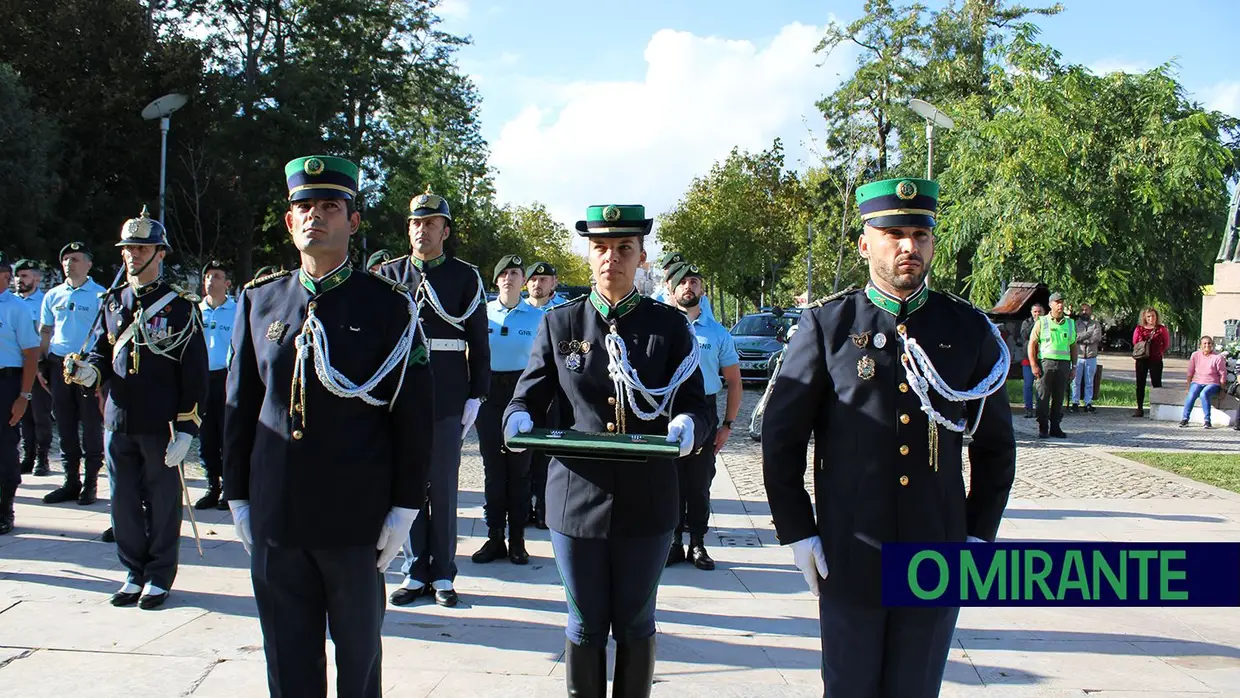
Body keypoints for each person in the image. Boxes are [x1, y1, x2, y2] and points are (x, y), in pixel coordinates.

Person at [762, 177, 1015, 698]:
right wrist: (798, 531)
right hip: (851, 549)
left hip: (936, 549)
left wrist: (977, 534)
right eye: (894, 233)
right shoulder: (828, 326)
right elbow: (782, 440)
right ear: (864, 243)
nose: (908, 247)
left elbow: (995, 447)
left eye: (920, 235)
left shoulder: (967, 329)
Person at [224, 154, 434, 698]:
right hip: (278, 512)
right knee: (288, 660)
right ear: (290, 223)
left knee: (359, 657)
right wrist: (238, 496)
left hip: (354, 515)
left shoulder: (390, 306)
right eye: (304, 208)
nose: (315, 216)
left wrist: (406, 505)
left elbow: (412, 415)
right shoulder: (259, 300)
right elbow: (240, 407)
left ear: (353, 222)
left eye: (330, 207)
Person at [505, 203, 709, 697]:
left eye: (624, 249)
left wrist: (687, 424)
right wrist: (516, 415)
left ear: (641, 257)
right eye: (601, 247)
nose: (611, 258)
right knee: (585, 623)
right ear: (589, 253)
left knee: (637, 621)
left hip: (648, 497)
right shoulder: (561, 324)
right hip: (577, 497)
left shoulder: (669, 326)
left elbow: (696, 403)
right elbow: (529, 393)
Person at [63, 207, 209, 609]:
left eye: (141, 247)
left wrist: (187, 428)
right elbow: (98, 349)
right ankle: (133, 570)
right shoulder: (113, 300)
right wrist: (88, 371)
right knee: (122, 500)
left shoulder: (179, 305)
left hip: (160, 421)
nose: (132, 255)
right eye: (128, 247)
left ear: (160, 253)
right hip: (118, 416)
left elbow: (194, 373)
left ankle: (160, 575)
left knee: (162, 503)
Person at [379, 187, 489, 609]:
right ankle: (412, 569)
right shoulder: (390, 275)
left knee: (442, 487)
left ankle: (442, 571)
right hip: (401, 393)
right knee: (404, 483)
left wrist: (476, 394)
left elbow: (478, 341)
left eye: (430, 223)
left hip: (446, 394)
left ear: (445, 229)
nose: (422, 230)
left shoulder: (465, 277)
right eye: (415, 223)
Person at [663, 261, 740, 571]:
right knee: (668, 481)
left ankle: (697, 543)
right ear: (670, 288)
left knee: (698, 482)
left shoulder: (718, 333)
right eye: (682, 281)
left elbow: (734, 382)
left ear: (703, 289)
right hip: (667, 408)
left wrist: (728, 425)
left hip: (704, 410)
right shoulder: (662, 326)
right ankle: (672, 541)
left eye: (695, 281)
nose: (689, 286)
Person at [471, 255, 540, 566]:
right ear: (496, 280)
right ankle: (495, 536)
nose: (510, 278)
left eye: (515, 273)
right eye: (504, 274)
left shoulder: (536, 317)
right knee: (493, 471)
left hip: (521, 393)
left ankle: (518, 541)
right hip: (489, 392)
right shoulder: (483, 314)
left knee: (520, 471)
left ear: (523, 281)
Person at [40, 243, 109, 504]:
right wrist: (42, 363)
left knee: (91, 424)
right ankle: (71, 480)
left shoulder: (100, 295)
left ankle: (91, 482)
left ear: (88, 264)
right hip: (59, 365)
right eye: (66, 259)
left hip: (87, 366)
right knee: (65, 423)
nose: (70, 263)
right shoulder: (53, 295)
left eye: (76, 259)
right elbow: (46, 331)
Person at [0, 253, 41, 535]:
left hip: (6, 382)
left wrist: (23, 396)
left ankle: (5, 508)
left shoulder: (16, 308)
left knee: (4, 449)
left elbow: (31, 354)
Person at [524, 261, 566, 530]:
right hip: (525, 390)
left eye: (544, 279)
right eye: (534, 279)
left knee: (550, 452)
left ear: (554, 282)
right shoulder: (519, 309)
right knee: (524, 452)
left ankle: (545, 506)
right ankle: (522, 505)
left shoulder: (563, 311)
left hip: (557, 392)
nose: (538, 283)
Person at [195, 260, 235, 510]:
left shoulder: (237, 310)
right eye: (208, 276)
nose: (211, 280)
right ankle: (212, 484)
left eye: (217, 276)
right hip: (201, 378)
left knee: (226, 434)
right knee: (205, 435)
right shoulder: (196, 311)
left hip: (226, 378)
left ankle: (228, 486)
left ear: (227, 283)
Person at [13, 260, 52, 476]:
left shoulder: (44, 301)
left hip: (36, 366)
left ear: (36, 278)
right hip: (15, 365)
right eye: (18, 276)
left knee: (40, 414)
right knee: (22, 415)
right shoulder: (10, 302)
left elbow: (46, 334)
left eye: (25, 276)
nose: (20, 280)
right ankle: (27, 456)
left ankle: (42, 458)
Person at [1029, 292, 1077, 439]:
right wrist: (1033, 365)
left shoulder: (1070, 323)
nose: (1060, 305)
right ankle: (1043, 427)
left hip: (1063, 365)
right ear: (1051, 305)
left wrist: (1074, 366)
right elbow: (1032, 344)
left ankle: (1055, 427)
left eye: (1062, 302)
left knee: (1059, 398)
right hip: (1045, 364)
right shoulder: (1042, 322)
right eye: (1057, 302)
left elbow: (1073, 345)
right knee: (1042, 398)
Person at [1180, 336, 1227, 428]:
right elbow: (1190, 372)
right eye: (1204, 343)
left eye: (1209, 343)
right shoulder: (1195, 355)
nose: (1207, 345)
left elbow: (1223, 374)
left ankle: (1207, 421)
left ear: (1212, 345)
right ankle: (1185, 419)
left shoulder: (1218, 357)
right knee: (1192, 394)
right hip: (1197, 381)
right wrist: (1188, 386)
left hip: (1212, 383)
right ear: (1200, 345)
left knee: (1204, 394)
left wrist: (1222, 389)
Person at [1132, 307, 1170, 418]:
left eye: (1153, 316)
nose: (1151, 318)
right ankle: (1139, 408)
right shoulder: (1139, 329)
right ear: (1144, 317)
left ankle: (1157, 408)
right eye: (1148, 316)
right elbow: (1135, 342)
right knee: (1140, 383)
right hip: (1142, 359)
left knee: (1156, 383)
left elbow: (1166, 344)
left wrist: (1158, 351)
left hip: (1156, 359)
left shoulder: (1161, 329)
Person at [1069, 302, 1102, 414]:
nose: (1084, 311)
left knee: (1089, 381)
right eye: (1082, 309)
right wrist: (1088, 334)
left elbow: (1096, 338)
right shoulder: (1074, 324)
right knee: (1075, 381)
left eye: (1086, 309)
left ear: (1090, 311)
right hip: (1078, 356)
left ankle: (1088, 403)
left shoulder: (1096, 324)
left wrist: (1082, 339)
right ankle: (1075, 402)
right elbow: (1074, 337)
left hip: (1091, 356)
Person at [1018, 303, 1045, 419]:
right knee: (1028, 385)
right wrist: (1035, 324)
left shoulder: (1047, 323)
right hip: (1028, 358)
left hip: (1043, 358)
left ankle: (1041, 408)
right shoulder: (1026, 323)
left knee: (1042, 385)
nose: (1037, 314)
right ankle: (1028, 408)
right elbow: (1025, 335)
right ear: (1031, 312)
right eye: (1035, 312)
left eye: (1039, 312)